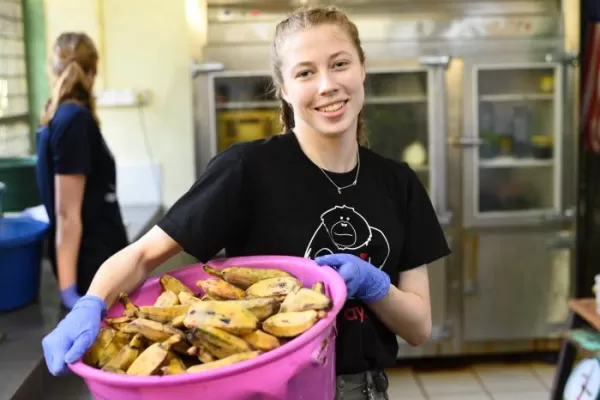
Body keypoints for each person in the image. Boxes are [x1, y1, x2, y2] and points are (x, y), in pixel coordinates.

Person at [41, 6, 450, 399]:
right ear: (285, 89)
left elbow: (418, 327)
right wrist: (90, 303)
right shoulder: (247, 169)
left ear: (362, 68)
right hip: (269, 391)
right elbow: (145, 255)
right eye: (305, 72)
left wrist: (375, 285)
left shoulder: (399, 184)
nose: (327, 84)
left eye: (340, 64)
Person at [35, 32, 129, 310]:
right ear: (93, 71)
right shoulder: (74, 121)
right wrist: (69, 292)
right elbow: (67, 213)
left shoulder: (61, 118)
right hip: (92, 267)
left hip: (97, 263)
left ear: (52, 70)